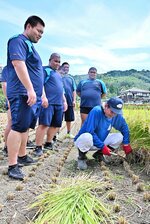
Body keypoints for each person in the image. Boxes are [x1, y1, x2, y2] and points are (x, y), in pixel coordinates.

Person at [6, 15, 46, 180]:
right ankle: (12, 165)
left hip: (31, 95)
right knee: (17, 127)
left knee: (24, 127)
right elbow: (18, 64)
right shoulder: (18, 40)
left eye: (42, 33)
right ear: (28, 26)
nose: (40, 35)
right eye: (38, 31)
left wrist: (40, 94)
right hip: (21, 92)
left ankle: (22, 155)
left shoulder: (29, 45)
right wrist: (30, 89)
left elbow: (37, 73)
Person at [74, 97, 132, 170]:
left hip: (100, 140)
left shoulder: (115, 115)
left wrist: (126, 144)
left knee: (119, 137)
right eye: (112, 112)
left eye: (116, 113)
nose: (113, 115)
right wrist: (102, 146)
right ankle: (82, 157)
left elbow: (124, 128)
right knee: (87, 137)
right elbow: (90, 131)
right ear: (106, 106)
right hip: (85, 141)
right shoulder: (96, 111)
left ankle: (99, 154)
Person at [34, 53, 68, 156]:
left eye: (59, 61)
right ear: (50, 60)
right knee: (44, 124)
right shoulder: (45, 70)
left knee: (55, 124)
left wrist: (64, 101)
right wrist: (43, 97)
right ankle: (38, 147)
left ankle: (48, 143)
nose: (57, 63)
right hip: (48, 103)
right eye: (55, 61)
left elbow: (61, 90)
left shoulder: (58, 74)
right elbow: (40, 84)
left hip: (58, 103)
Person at [61, 62, 76, 138]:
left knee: (68, 118)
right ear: (62, 67)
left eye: (68, 67)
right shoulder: (59, 76)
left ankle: (68, 132)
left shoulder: (71, 78)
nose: (66, 68)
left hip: (69, 101)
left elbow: (74, 90)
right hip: (60, 101)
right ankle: (56, 134)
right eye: (65, 67)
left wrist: (74, 100)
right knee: (58, 118)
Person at [1, 66, 11, 155]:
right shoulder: (6, 69)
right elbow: (4, 84)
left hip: (20, 99)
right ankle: (6, 146)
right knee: (11, 123)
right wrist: (8, 99)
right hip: (12, 100)